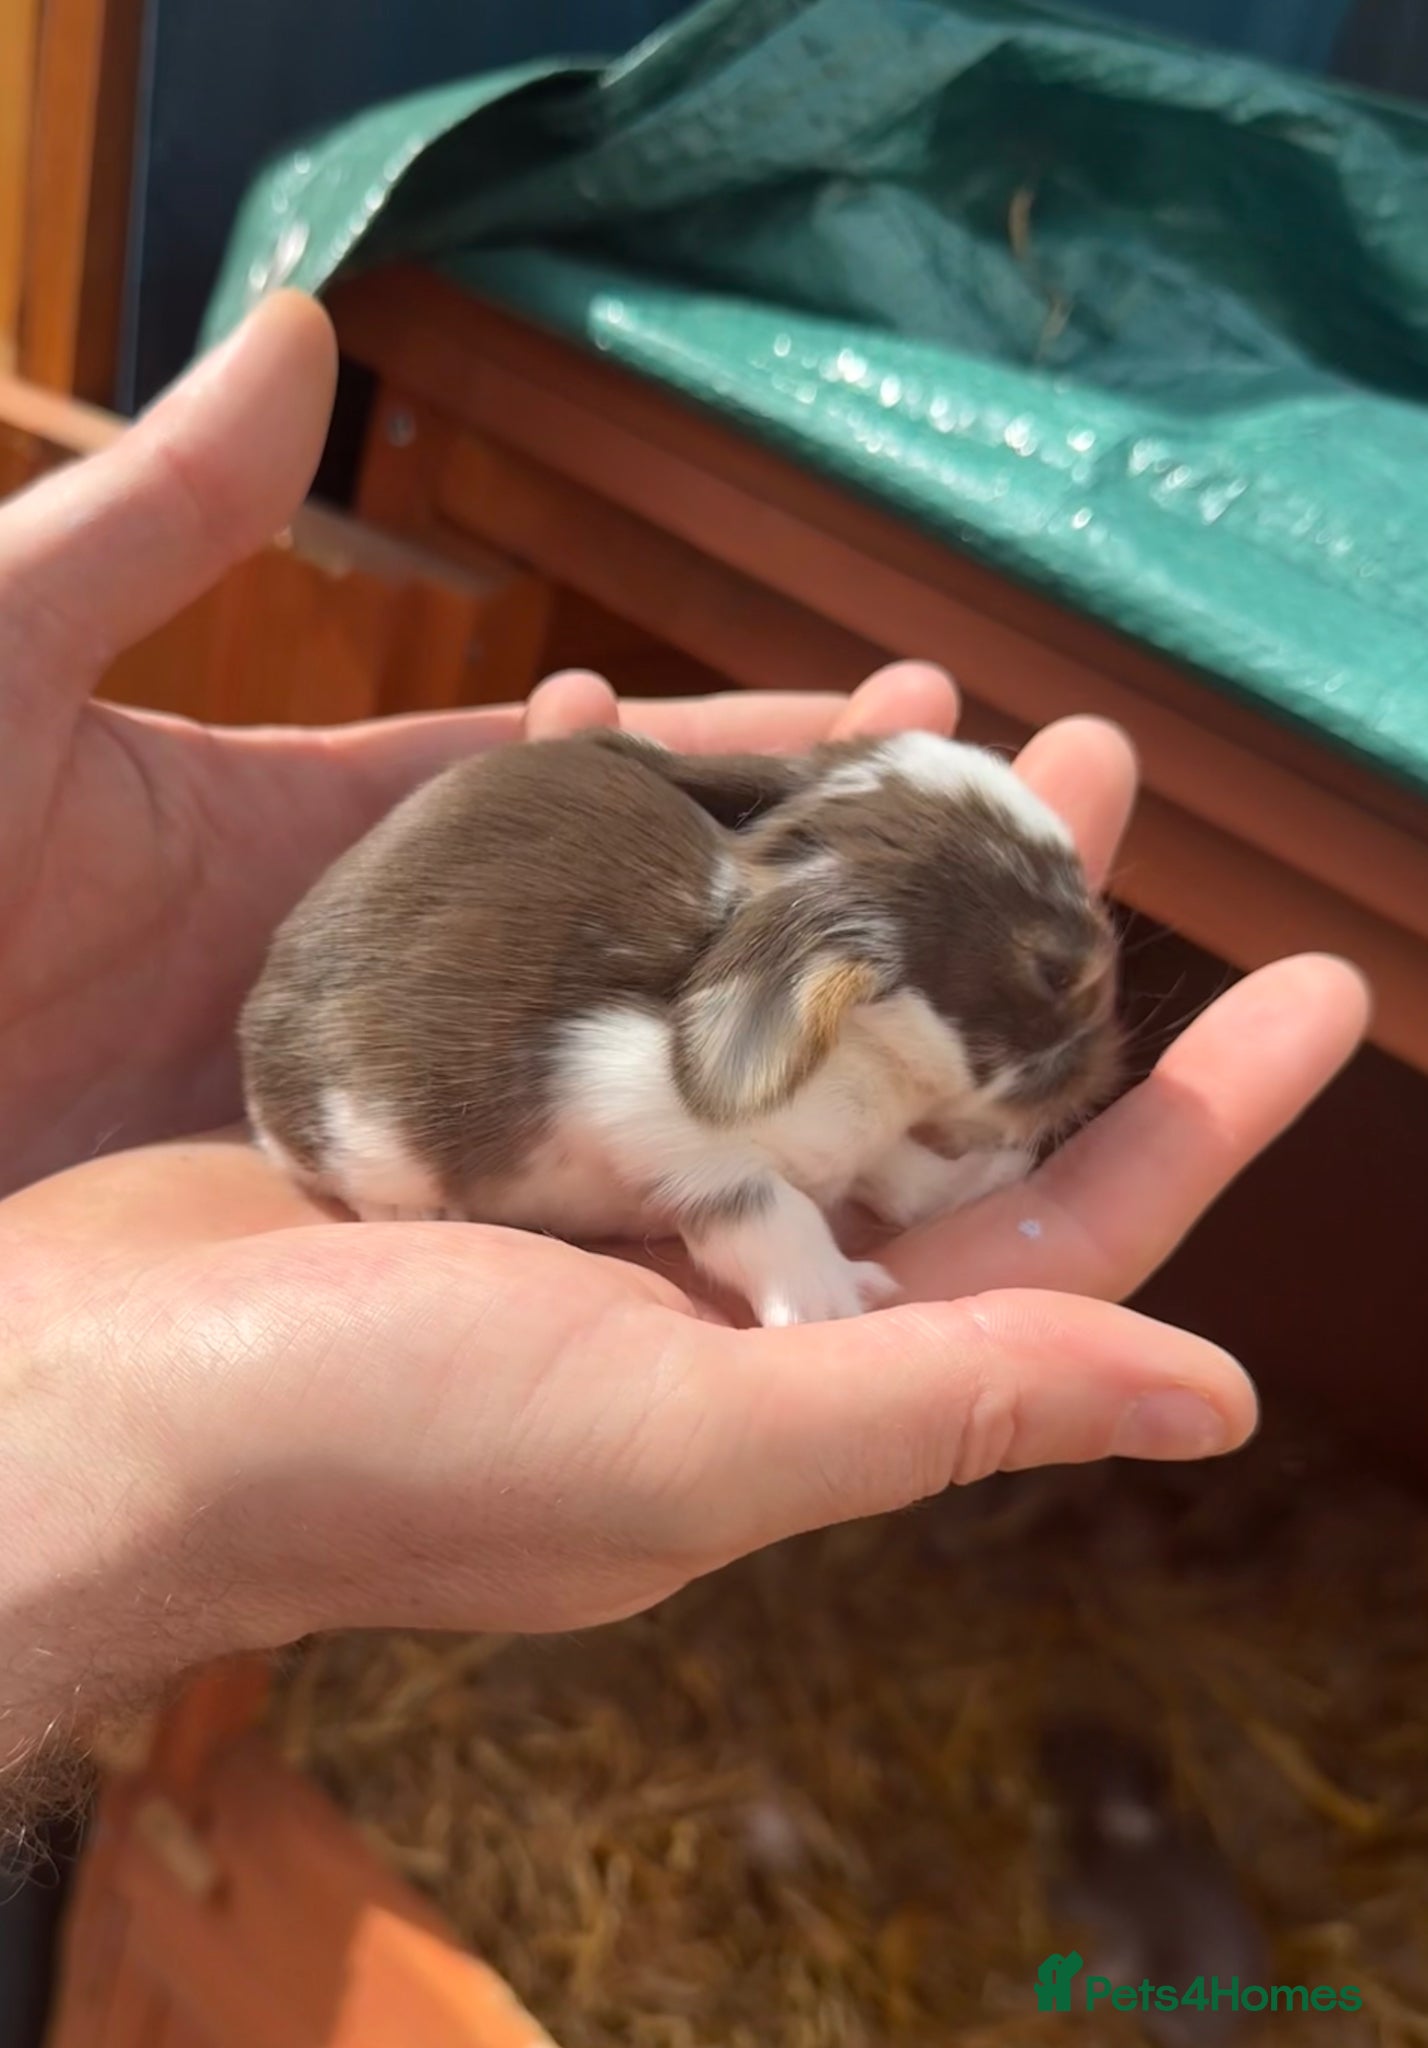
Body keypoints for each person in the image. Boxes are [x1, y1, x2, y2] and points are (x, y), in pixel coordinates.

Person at [0, 293, 1368, 1831]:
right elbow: (689, 1137)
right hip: (347, 1102)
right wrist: (808, 1279)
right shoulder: (732, 1028)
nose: (1077, 1058)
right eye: (1035, 1012)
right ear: (835, 986)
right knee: (637, 1133)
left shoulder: (804, 940)